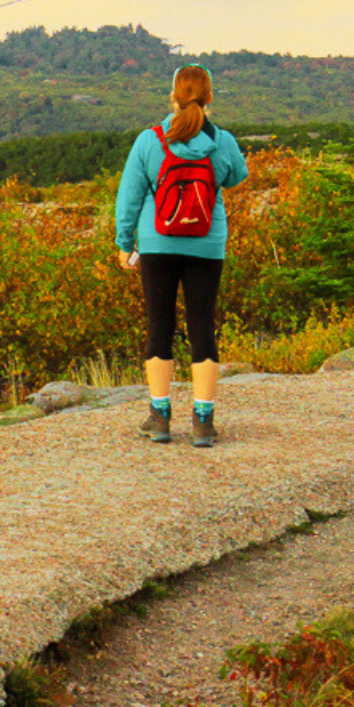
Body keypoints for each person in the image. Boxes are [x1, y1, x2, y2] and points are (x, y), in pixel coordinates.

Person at [113, 64, 249, 448]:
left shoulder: (149, 140)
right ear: (209, 100)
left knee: (160, 326)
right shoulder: (221, 141)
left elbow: (130, 198)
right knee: (202, 326)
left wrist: (126, 244)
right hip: (206, 244)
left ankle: (159, 417)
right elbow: (238, 176)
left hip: (157, 244)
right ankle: (203, 422)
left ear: (172, 97)